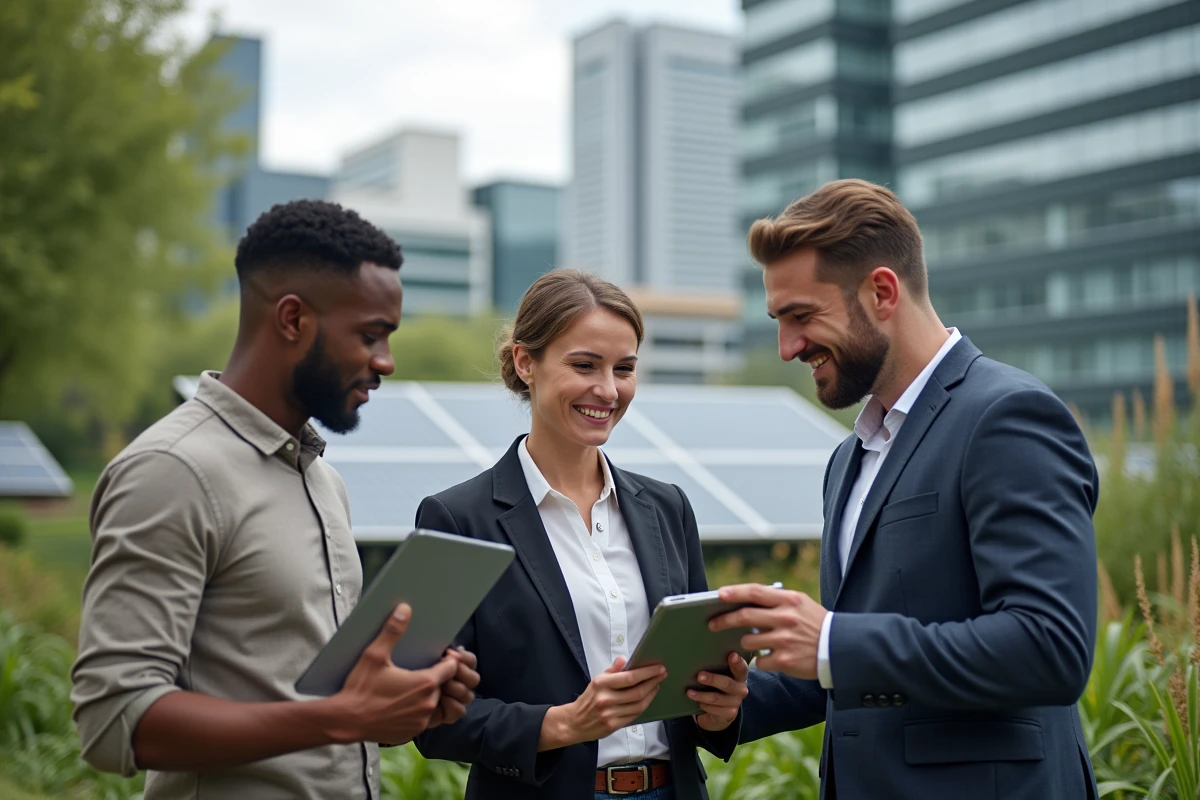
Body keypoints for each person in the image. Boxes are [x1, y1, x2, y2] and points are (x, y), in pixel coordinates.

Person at [70, 199, 479, 800]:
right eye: (370, 335)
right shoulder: (173, 471)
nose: (385, 362)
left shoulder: (321, 479)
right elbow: (112, 721)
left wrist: (404, 698)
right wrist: (345, 717)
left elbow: (316, 702)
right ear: (293, 319)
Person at [710, 179, 1100, 799]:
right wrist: (730, 704)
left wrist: (832, 639)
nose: (787, 348)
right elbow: (851, 662)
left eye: (802, 316)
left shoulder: (1008, 416)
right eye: (779, 322)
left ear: (883, 292)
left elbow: (1048, 646)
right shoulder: (848, 458)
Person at [412, 269, 751, 799]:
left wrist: (718, 708)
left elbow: (694, 680)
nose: (608, 390)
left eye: (625, 369)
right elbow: (429, 716)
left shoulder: (667, 508)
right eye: (584, 365)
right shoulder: (458, 519)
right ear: (526, 362)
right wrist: (565, 723)